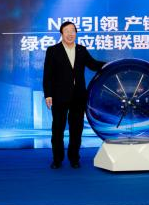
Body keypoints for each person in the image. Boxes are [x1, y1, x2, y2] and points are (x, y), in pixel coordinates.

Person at [43, 21, 105, 169]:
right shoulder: (53, 50)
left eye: (73, 31)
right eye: (67, 31)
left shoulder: (81, 50)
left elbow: (93, 64)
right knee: (57, 129)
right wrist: (48, 94)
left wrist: (109, 64)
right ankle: (57, 160)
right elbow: (48, 75)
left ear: (76, 33)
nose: (70, 34)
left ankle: (74, 159)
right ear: (61, 33)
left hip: (78, 96)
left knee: (76, 130)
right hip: (59, 96)